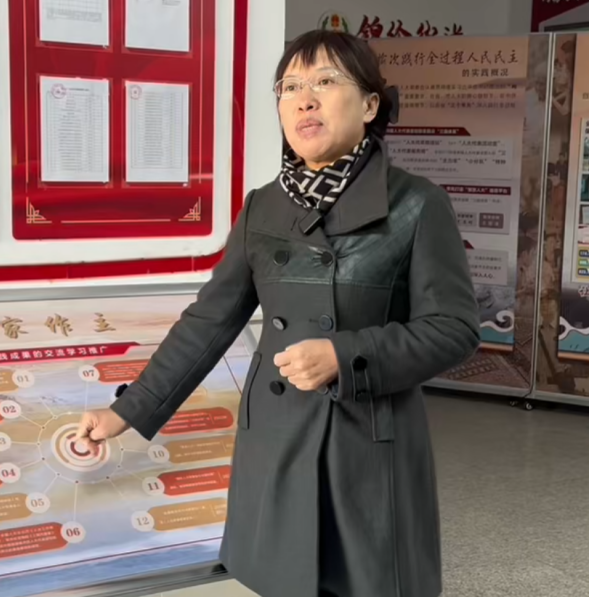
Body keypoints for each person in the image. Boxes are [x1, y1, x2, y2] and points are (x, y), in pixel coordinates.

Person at [72, 30, 481, 597]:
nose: (304, 100)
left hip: (366, 445)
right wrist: (127, 410)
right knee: (282, 581)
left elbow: (454, 330)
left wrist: (345, 354)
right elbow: (209, 322)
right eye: (289, 87)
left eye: (325, 81)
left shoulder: (415, 203)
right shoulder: (263, 206)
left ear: (369, 105)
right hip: (276, 437)